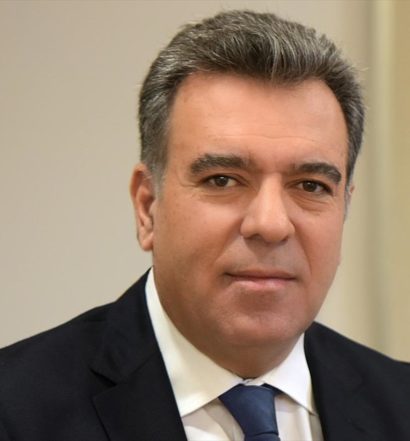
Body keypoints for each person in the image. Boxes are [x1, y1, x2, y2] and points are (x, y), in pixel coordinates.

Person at [0, 9, 409, 441]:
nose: (270, 224)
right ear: (147, 206)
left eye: (311, 185)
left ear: (344, 207)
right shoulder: (16, 412)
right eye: (223, 180)